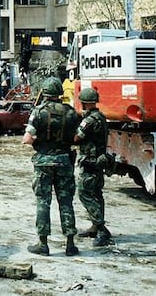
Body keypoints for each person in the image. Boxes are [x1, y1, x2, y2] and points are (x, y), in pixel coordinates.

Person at [22, 77, 81, 256]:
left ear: (45, 93)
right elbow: (77, 137)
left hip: (43, 163)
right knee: (66, 202)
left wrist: (40, 140)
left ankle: (43, 243)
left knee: (43, 202)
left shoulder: (38, 112)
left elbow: (27, 139)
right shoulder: (71, 113)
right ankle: (70, 243)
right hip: (64, 161)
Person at [74, 87, 111, 247]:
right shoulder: (101, 117)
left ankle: (101, 229)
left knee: (84, 193)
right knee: (97, 194)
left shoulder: (89, 120)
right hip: (99, 160)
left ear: (84, 102)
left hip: (90, 161)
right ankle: (96, 227)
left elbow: (77, 137)